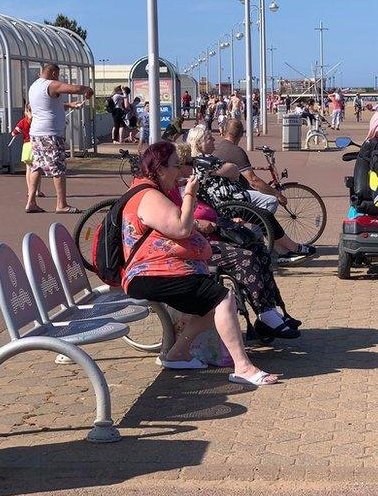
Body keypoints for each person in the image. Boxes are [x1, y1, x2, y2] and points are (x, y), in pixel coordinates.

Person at [121, 142, 279, 384]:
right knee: (222, 298)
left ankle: (177, 354)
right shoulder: (149, 195)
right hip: (149, 274)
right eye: (176, 166)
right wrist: (190, 193)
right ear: (161, 169)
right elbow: (182, 227)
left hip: (158, 270)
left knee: (216, 303)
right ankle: (243, 367)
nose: (180, 172)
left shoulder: (152, 190)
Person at [172, 142, 301, 339]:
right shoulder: (175, 192)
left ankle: (270, 311)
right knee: (246, 258)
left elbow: (212, 208)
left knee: (259, 249)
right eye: (187, 163)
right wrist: (199, 223)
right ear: (177, 166)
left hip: (214, 234)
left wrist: (227, 220)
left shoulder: (192, 184)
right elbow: (177, 221)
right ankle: (265, 314)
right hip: (195, 244)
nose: (192, 168)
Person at [187, 123, 316, 264]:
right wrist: (230, 169)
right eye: (209, 139)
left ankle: (284, 252)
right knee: (265, 214)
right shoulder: (203, 161)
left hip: (230, 199)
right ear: (199, 143)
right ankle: (290, 247)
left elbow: (233, 171)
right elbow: (235, 171)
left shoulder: (204, 159)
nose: (213, 140)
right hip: (228, 203)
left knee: (264, 215)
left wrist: (230, 169)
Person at [24, 63, 90, 214]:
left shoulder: (35, 86)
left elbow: (47, 105)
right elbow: (75, 88)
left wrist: (68, 105)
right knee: (58, 168)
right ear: (53, 73)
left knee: (37, 166)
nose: (58, 78)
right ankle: (61, 204)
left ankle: (31, 201)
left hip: (37, 132)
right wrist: (86, 89)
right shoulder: (51, 84)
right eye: (58, 75)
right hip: (50, 133)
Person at [11, 105, 45, 200]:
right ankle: (37, 190)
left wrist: (15, 133)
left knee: (29, 169)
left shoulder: (23, 121)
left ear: (26, 111)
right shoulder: (38, 120)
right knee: (37, 169)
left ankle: (30, 190)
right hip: (37, 145)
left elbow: (15, 132)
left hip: (27, 146)